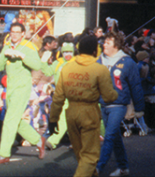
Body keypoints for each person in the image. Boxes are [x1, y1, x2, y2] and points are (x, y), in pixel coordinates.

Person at [49, 35, 118, 177]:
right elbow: (109, 96)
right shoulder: (100, 69)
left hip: (71, 113)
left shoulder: (67, 68)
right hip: (89, 112)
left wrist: (53, 118)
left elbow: (58, 97)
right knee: (90, 155)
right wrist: (117, 92)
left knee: (81, 153)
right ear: (95, 51)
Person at [0, 21, 50, 165]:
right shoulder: (7, 45)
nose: (14, 34)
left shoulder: (29, 47)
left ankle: (3, 155)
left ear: (23, 34)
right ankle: (38, 140)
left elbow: (36, 65)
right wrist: (5, 54)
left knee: (10, 120)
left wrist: (21, 55)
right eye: (12, 31)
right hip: (9, 88)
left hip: (22, 88)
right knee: (14, 121)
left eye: (17, 32)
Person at [98, 33, 145, 176]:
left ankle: (98, 168)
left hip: (118, 105)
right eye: (104, 42)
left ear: (116, 45)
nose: (104, 45)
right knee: (115, 136)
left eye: (107, 42)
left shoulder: (127, 62)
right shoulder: (98, 61)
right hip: (103, 104)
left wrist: (139, 108)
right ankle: (123, 167)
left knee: (110, 135)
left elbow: (135, 86)